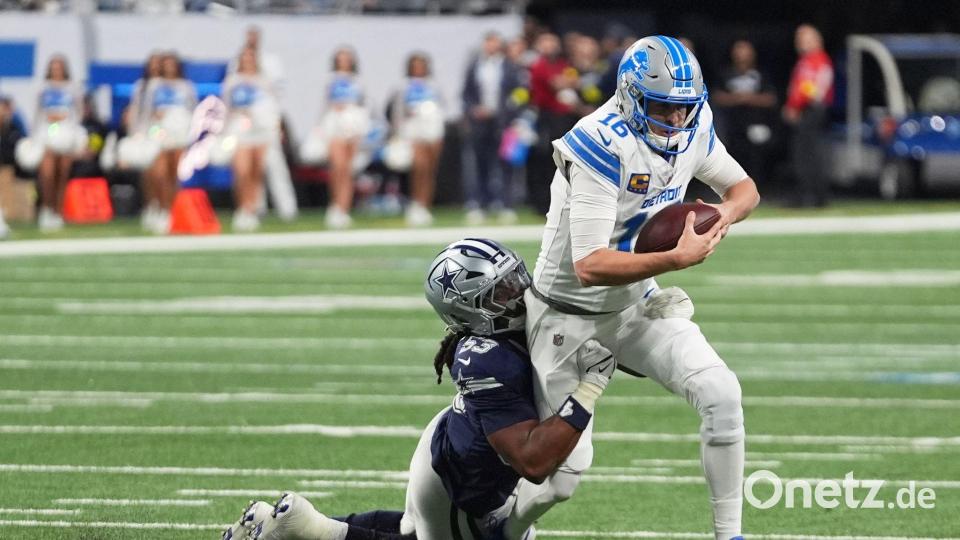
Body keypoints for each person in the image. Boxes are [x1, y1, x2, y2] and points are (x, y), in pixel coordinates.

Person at [503, 36, 760, 540]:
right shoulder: (600, 140)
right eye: (663, 108)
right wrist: (676, 256)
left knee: (721, 391)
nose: (675, 121)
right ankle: (500, 532)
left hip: (636, 304)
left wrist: (720, 216)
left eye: (684, 109)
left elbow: (744, 189)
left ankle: (730, 535)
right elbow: (590, 266)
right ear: (630, 95)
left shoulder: (694, 124)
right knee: (560, 480)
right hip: (566, 315)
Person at [222, 238, 616, 540]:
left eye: (515, 278)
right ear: (470, 310)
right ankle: (307, 526)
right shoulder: (486, 358)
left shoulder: (503, 334)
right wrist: (589, 388)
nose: (519, 292)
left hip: (456, 447)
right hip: (458, 480)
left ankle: (307, 525)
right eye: (502, 292)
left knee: (419, 532)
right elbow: (534, 463)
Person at [461, 32, 523, 225]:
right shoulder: (475, 66)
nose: (490, 47)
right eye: (488, 43)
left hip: (503, 122)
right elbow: (467, 94)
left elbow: (519, 93)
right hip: (480, 122)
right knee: (480, 164)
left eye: (494, 43)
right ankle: (479, 204)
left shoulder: (509, 67)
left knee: (505, 164)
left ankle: (506, 205)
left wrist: (509, 113)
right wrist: (473, 110)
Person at [221, 47, 277, 232]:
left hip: (260, 130)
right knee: (242, 171)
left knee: (256, 172)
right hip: (238, 128)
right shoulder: (232, 82)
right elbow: (226, 107)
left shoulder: (264, 81)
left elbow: (271, 107)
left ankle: (252, 209)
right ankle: (242, 209)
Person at [142, 52, 197, 234]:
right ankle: (161, 207)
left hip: (179, 133)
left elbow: (192, 109)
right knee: (159, 173)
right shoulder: (154, 85)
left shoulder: (185, 86)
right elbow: (146, 110)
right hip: (159, 132)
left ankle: (171, 210)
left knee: (174, 174)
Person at [711, 39, 778, 186]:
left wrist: (750, 98)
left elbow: (771, 98)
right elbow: (716, 97)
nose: (742, 55)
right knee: (732, 158)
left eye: (745, 51)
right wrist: (736, 98)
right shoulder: (725, 74)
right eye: (739, 51)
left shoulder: (761, 75)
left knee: (756, 158)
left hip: (756, 123)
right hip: (732, 126)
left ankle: (758, 188)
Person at [388, 52, 444, 227]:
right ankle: (415, 203)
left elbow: (442, 106)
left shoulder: (433, 85)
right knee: (419, 167)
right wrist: (397, 131)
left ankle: (426, 204)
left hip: (432, 129)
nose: (419, 69)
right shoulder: (403, 86)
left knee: (430, 169)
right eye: (415, 65)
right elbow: (397, 110)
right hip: (413, 128)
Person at [318, 47, 370, 229]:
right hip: (334, 123)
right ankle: (335, 205)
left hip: (353, 123)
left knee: (348, 169)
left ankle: (344, 207)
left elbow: (363, 104)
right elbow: (325, 104)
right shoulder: (330, 80)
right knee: (337, 166)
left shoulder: (358, 81)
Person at [783, 24, 834, 207]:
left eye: (805, 39)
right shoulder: (804, 62)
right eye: (799, 39)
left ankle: (815, 196)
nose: (800, 43)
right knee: (802, 153)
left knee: (810, 153)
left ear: (817, 41)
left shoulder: (819, 61)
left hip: (812, 110)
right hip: (805, 110)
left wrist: (796, 106)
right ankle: (806, 194)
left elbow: (815, 91)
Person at [35, 54, 84, 232]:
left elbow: (78, 112)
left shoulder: (73, 88)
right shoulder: (42, 88)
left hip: (66, 133)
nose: (56, 70)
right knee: (47, 173)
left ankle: (58, 211)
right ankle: (46, 209)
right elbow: (37, 113)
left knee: (62, 174)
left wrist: (71, 126)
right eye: (53, 67)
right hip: (47, 133)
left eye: (59, 67)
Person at [128, 52, 164, 230]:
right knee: (148, 173)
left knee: (162, 173)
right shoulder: (141, 87)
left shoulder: (168, 86)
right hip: (145, 132)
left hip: (165, 133)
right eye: (152, 63)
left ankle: (164, 207)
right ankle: (151, 205)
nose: (155, 67)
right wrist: (133, 132)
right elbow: (135, 111)